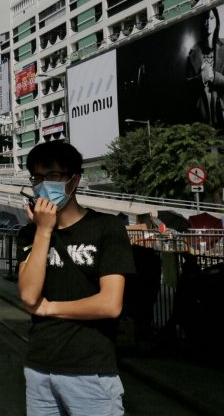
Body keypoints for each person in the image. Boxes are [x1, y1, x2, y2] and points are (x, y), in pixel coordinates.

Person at [17, 141, 135, 416]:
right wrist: (44, 231)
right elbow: (29, 296)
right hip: (38, 370)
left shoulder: (107, 228)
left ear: (74, 180)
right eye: (37, 178)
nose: (43, 185)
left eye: (53, 176)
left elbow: (109, 304)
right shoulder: (29, 233)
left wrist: (51, 308)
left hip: (90, 371)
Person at [185, 7, 224, 132]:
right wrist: (201, 78)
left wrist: (213, 77)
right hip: (201, 119)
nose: (208, 23)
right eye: (205, 19)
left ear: (216, 21)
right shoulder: (193, 52)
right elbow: (187, 86)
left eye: (211, 18)